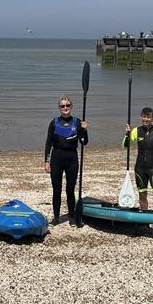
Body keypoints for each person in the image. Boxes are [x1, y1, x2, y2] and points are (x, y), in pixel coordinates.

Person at [44, 96, 89, 225]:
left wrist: (84, 130)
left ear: (71, 107)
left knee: (70, 189)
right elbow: (48, 143)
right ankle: (56, 217)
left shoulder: (77, 122)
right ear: (59, 108)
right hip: (57, 158)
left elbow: (84, 142)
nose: (65, 108)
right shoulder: (54, 122)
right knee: (56, 189)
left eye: (67, 105)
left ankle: (72, 216)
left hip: (72, 158)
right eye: (62, 106)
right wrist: (47, 161)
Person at [123, 107, 153, 214]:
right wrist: (127, 134)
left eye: (148, 117)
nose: (146, 119)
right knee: (142, 194)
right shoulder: (136, 131)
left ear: (152, 118)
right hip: (140, 168)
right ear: (141, 117)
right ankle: (145, 220)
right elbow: (124, 146)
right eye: (144, 117)